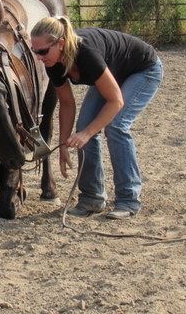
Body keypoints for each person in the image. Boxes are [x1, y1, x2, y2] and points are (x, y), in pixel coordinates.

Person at [30, 16, 163, 219]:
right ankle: (92, 198)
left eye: (42, 51)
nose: (39, 57)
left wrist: (87, 133)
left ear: (61, 44)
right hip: (112, 74)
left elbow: (116, 102)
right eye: (35, 51)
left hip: (143, 70)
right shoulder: (53, 62)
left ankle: (128, 200)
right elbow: (67, 103)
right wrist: (63, 144)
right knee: (84, 126)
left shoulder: (86, 54)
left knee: (116, 126)